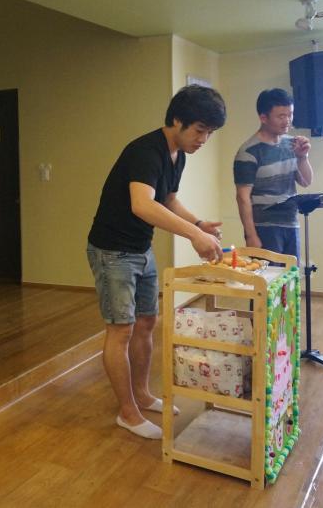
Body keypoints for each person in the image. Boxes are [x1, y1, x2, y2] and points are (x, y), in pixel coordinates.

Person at [86, 85, 226, 439]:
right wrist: (193, 236)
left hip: (140, 248)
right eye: (200, 130)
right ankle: (127, 412)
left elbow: (167, 199)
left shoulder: (178, 154)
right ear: (177, 120)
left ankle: (143, 394)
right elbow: (142, 204)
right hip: (112, 251)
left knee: (147, 322)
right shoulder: (145, 151)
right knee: (121, 330)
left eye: (209, 133)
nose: (203, 140)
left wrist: (198, 224)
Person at [234, 88, 312, 260]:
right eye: (281, 116)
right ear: (263, 118)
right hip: (264, 227)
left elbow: (306, 182)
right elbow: (242, 197)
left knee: (291, 275)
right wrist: (251, 235)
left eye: (290, 114)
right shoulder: (249, 152)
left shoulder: (292, 144)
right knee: (269, 275)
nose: (287, 121)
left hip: (291, 223)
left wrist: (302, 157)